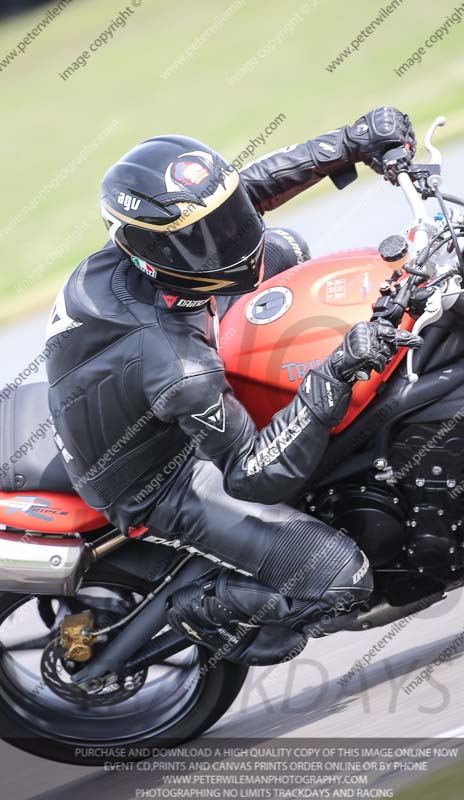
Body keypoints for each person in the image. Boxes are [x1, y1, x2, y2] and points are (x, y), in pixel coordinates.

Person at [46, 106, 421, 666]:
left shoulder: (163, 248)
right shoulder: (177, 364)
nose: (232, 240)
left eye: (228, 221)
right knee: (339, 581)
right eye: (206, 238)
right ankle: (206, 611)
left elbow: (247, 191)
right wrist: (337, 370)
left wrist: (351, 141)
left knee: (285, 250)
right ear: (153, 252)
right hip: (164, 475)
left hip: (145, 385)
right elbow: (252, 477)